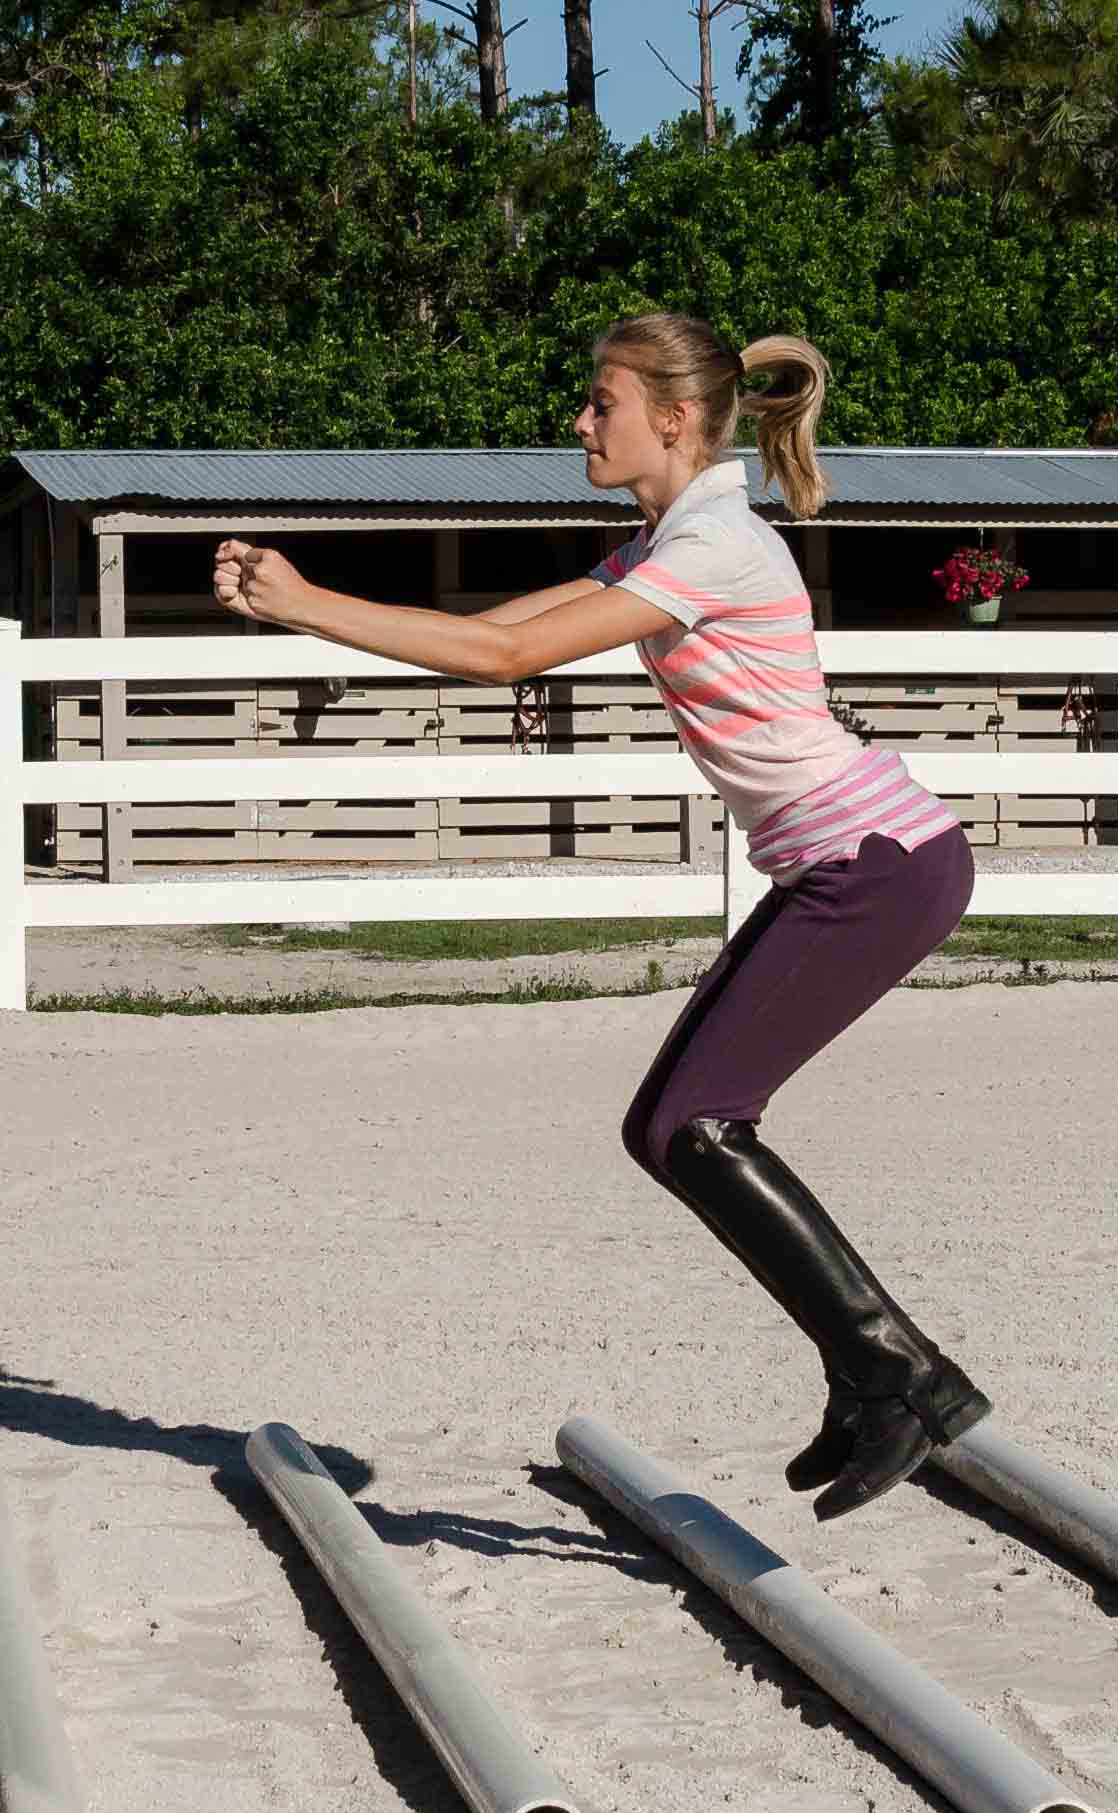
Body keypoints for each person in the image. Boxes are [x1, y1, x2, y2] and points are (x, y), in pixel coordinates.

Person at [212, 313, 989, 1515]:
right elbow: (494, 636)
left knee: (695, 1125)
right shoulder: (664, 540)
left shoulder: (714, 545)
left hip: (875, 863)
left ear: (670, 421)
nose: (579, 420)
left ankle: (901, 1375)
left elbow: (494, 659)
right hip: (853, 864)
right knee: (666, 1129)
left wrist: (311, 600)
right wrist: (306, 607)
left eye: (599, 402)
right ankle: (874, 1374)